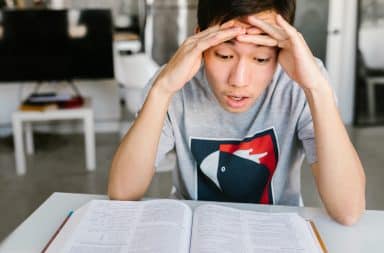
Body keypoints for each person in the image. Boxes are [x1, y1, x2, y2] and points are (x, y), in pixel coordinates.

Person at [108, 0, 366, 225]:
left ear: (283, 50)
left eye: (261, 58)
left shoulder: (302, 82)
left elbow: (348, 211)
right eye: (224, 54)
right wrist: (162, 90)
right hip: (194, 231)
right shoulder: (174, 80)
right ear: (199, 40)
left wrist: (316, 89)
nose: (239, 80)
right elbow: (123, 192)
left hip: (276, 231)